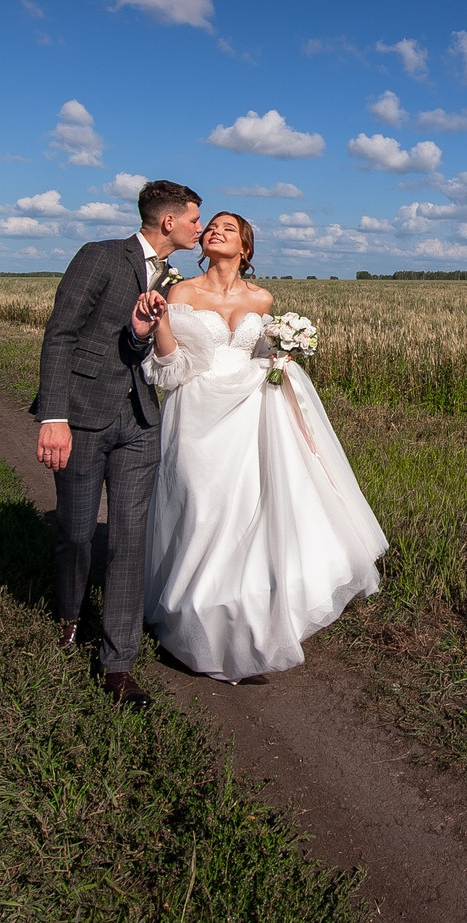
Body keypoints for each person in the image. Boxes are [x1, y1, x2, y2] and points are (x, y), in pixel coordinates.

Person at [138, 213, 387, 682]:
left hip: (249, 410)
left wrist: (283, 356)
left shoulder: (262, 298)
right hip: (196, 409)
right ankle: (187, 616)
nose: (215, 232)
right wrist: (160, 324)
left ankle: (237, 623)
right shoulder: (181, 292)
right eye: (211, 227)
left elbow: (260, 354)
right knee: (200, 509)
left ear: (245, 248)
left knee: (244, 514)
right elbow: (169, 367)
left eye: (228, 229)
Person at [32, 179, 203, 708]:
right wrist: (54, 415)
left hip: (140, 420)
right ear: (169, 221)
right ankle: (68, 616)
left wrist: (139, 332)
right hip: (83, 416)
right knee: (78, 532)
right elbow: (61, 333)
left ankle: (118, 664)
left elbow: (139, 346)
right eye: (195, 219)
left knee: (130, 540)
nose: (200, 228)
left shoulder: (172, 278)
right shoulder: (101, 256)